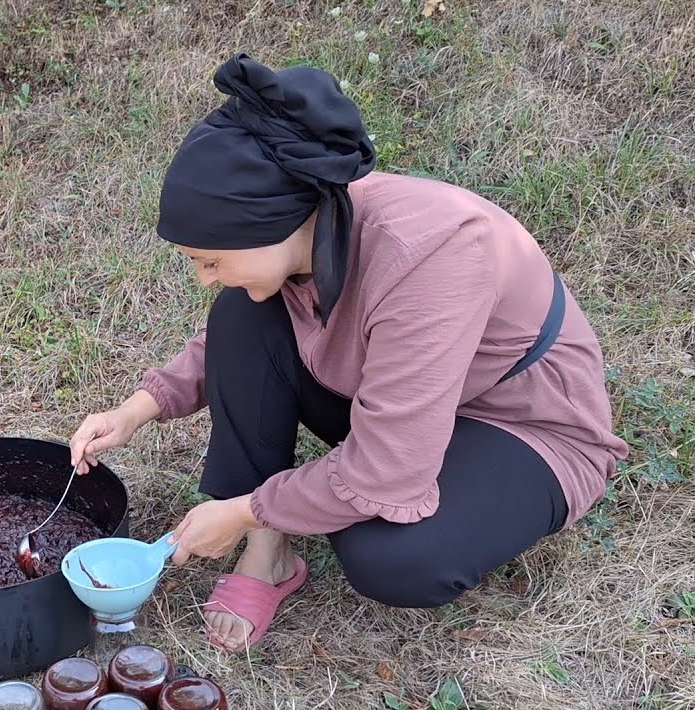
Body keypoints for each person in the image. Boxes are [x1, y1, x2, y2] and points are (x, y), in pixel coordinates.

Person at [68, 54, 628, 653]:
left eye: (212, 260)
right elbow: (234, 350)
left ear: (279, 224)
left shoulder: (430, 254)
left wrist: (244, 509)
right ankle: (269, 554)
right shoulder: (307, 228)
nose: (204, 277)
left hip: (518, 425)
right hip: (398, 400)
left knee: (392, 555)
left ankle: (267, 523)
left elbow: (388, 471)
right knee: (243, 309)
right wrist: (134, 410)